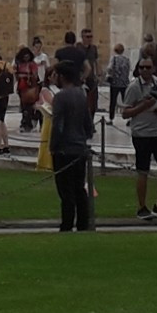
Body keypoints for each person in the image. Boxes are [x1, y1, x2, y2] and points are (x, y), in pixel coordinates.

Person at [121, 54, 157, 221]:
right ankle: (141, 206)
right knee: (143, 171)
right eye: (141, 67)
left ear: (153, 69)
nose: (144, 70)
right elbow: (125, 113)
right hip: (142, 134)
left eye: (148, 67)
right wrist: (142, 106)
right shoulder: (133, 87)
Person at [48, 60, 94, 232]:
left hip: (64, 150)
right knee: (79, 188)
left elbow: (58, 125)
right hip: (79, 148)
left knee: (65, 191)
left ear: (62, 76)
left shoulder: (60, 97)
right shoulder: (81, 94)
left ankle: (66, 224)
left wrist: (53, 146)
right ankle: (83, 223)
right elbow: (88, 124)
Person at [104, 43, 130, 122]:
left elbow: (110, 68)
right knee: (126, 100)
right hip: (124, 83)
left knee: (113, 101)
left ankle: (111, 118)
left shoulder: (114, 58)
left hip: (115, 83)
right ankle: (129, 117)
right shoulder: (126, 59)